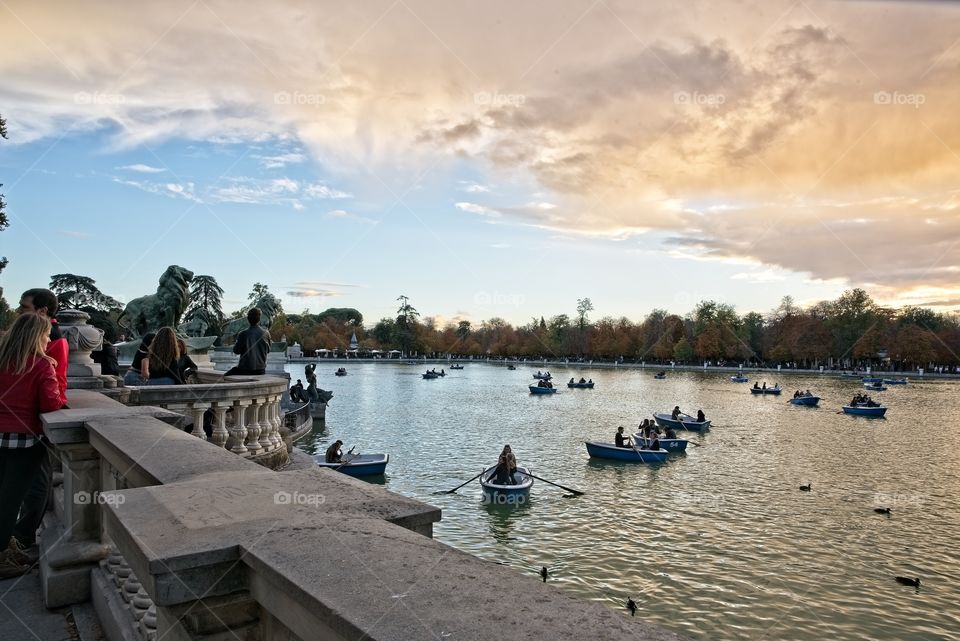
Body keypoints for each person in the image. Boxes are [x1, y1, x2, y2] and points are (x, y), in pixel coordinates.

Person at [0, 313, 64, 578]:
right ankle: (1, 555)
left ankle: (6, 548)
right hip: (25, 441)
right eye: (47, 335)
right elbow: (51, 404)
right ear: (37, 336)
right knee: (10, 500)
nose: (49, 339)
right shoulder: (40, 364)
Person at [11, 289, 69, 562]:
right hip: (25, 433)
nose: (19, 311)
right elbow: (51, 400)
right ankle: (13, 547)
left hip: (9, 433)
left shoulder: (7, 357)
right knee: (27, 489)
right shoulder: (41, 361)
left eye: (23, 307)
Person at [225, 308, 271, 376]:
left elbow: (236, 351)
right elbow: (268, 350)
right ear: (259, 319)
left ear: (248, 319)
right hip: (261, 370)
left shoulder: (243, 334)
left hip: (245, 370)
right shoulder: (266, 333)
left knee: (225, 376)